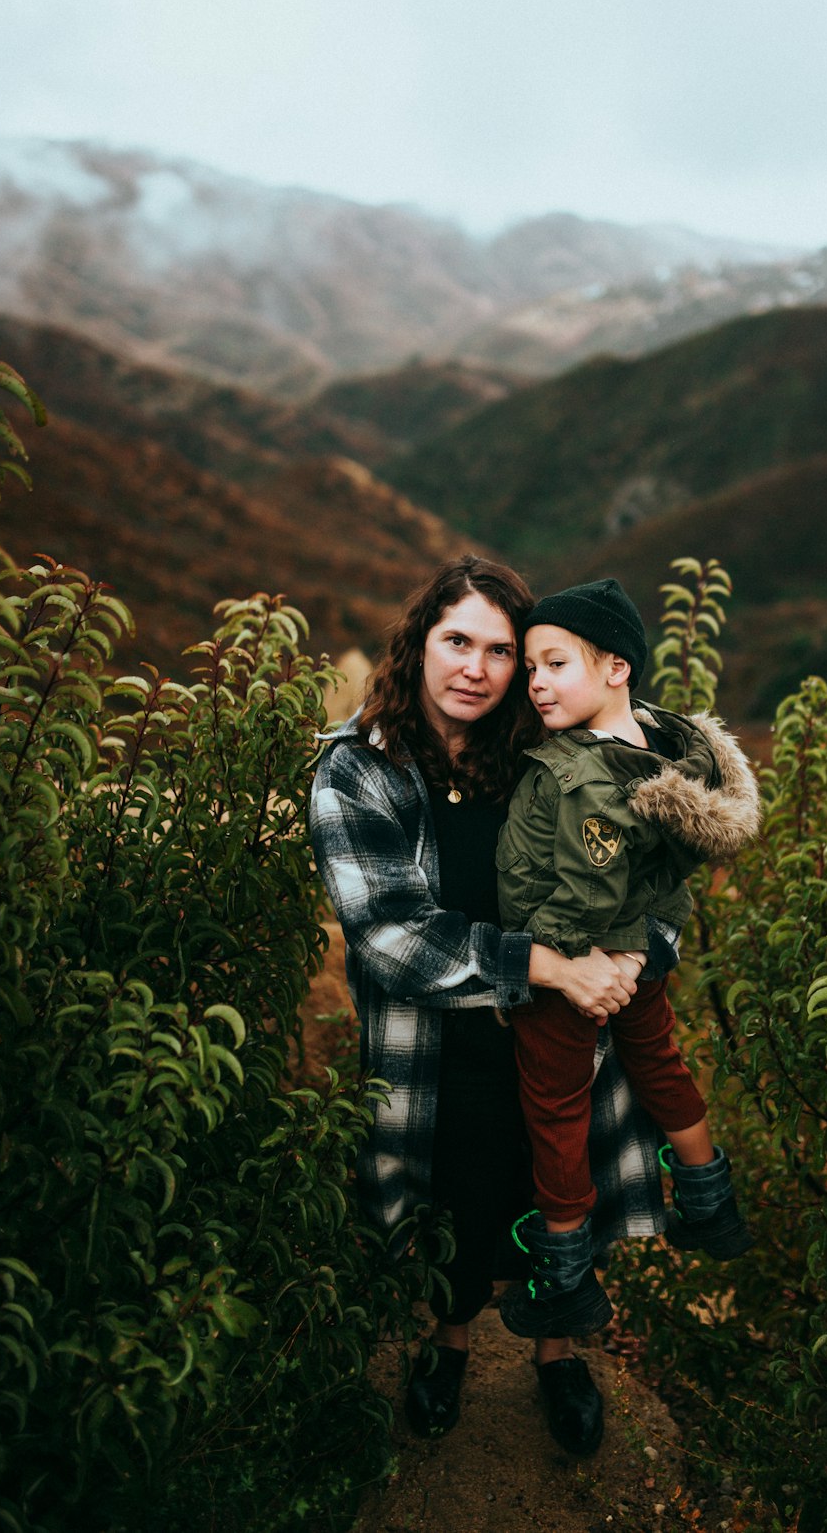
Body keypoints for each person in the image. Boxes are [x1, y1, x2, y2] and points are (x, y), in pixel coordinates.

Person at [307, 557, 682, 1457]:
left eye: (501, 650)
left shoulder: (563, 746)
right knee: (454, 1193)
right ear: (420, 645)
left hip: (568, 1032)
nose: (475, 667)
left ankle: (558, 1353)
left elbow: (666, 878)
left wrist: (629, 962)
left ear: (530, 663)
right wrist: (549, 965)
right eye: (456, 641)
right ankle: (449, 1343)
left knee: (562, 1184)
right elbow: (392, 935)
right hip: (436, 1041)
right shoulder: (358, 771)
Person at [494, 577, 761, 1341]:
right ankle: (711, 1203)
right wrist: (642, 948)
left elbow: (580, 892)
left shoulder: (580, 775)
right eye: (533, 668)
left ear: (617, 669)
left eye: (555, 665)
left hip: (574, 970)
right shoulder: (658, 747)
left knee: (556, 1110)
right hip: (642, 955)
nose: (536, 683)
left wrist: (539, 959)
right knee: (660, 1063)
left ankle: (566, 1274)